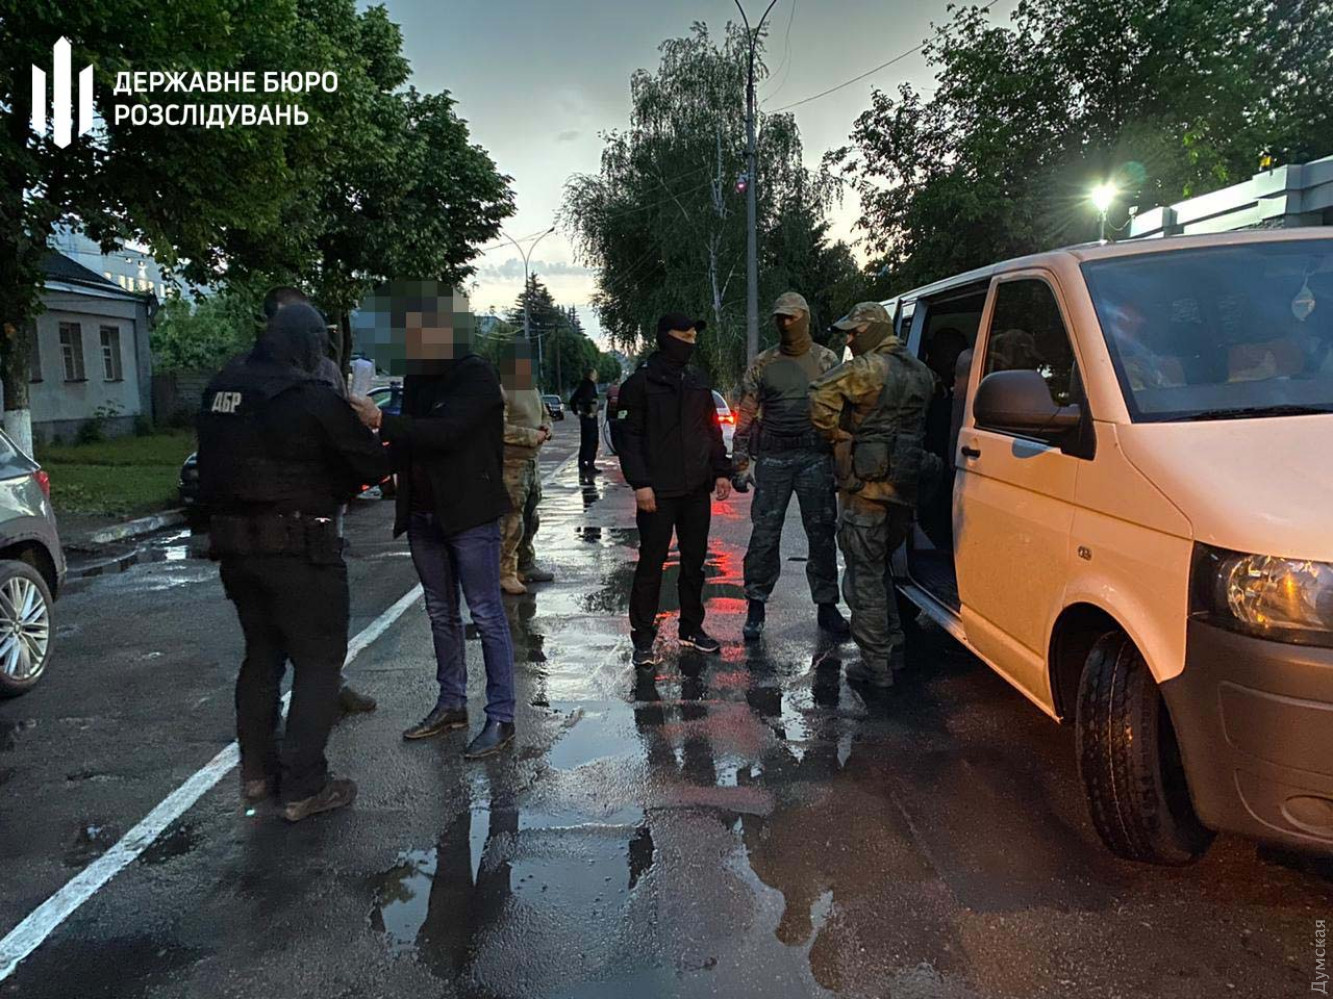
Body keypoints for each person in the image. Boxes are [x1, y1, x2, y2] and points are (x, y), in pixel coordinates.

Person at [198, 304, 390, 822]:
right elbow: (370, 465)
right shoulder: (310, 397)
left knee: (261, 656)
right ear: (308, 344)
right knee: (319, 662)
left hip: (236, 550)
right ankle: (305, 785)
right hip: (301, 548)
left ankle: (257, 773)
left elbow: (208, 469)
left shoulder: (221, 389)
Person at [348, 302, 517, 760]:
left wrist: (381, 420)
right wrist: (359, 450)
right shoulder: (418, 379)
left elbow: (447, 432)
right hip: (423, 514)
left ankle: (501, 715)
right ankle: (451, 704)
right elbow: (406, 442)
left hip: (469, 515)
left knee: (486, 614)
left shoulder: (475, 375)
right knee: (441, 614)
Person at [260, 286, 378, 715]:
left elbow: (341, 428)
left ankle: (331, 684)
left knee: (325, 606)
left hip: (323, 506)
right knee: (277, 614)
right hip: (272, 511)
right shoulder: (255, 371)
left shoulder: (325, 368)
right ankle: (277, 714)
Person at [809, 302, 939, 690]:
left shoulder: (867, 368)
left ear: (873, 330)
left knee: (863, 578)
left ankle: (876, 665)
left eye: (854, 332)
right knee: (880, 569)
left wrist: (837, 436)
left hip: (864, 489)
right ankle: (893, 648)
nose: (849, 339)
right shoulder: (922, 373)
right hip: (904, 487)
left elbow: (819, 395)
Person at [732, 291, 848, 642]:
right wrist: (740, 463)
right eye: (779, 318)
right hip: (774, 459)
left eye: (791, 317)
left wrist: (843, 464)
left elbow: (843, 411)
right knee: (764, 535)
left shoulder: (827, 360)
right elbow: (745, 415)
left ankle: (827, 605)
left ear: (804, 318)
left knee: (822, 533)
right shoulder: (764, 363)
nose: (784, 323)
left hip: (815, 458)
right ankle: (756, 604)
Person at [618, 313, 732, 668]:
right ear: (666, 337)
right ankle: (643, 637)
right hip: (657, 491)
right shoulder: (640, 384)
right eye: (685, 336)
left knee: (694, 563)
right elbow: (629, 438)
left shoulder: (696, 381)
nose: (691, 342)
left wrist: (721, 471)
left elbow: (712, 430)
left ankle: (691, 628)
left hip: (695, 488)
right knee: (652, 564)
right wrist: (641, 483)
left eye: (694, 336)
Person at [498, 341, 554, 595]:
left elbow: (545, 416)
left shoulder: (531, 389)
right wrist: (532, 436)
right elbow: (499, 429)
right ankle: (505, 572)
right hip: (511, 465)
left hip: (532, 464)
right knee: (512, 520)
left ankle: (526, 564)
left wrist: (546, 429)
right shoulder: (502, 391)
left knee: (531, 518)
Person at [569, 367, 600, 480]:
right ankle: (589, 464)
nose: (596, 375)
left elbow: (573, 400)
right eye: (595, 373)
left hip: (585, 417)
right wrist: (588, 412)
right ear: (590, 374)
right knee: (592, 441)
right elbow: (589, 400)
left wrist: (577, 412)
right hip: (589, 418)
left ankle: (583, 464)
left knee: (585, 441)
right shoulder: (589, 386)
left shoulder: (583, 386)